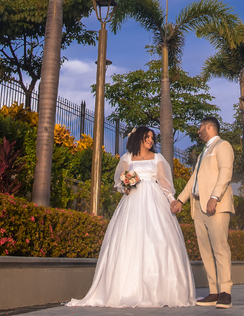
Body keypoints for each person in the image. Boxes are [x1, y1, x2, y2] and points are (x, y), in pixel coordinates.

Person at [67, 126, 195, 308]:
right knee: (129, 240)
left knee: (158, 241)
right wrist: (125, 186)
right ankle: (127, 289)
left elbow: (164, 183)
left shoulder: (157, 158)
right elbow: (120, 181)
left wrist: (173, 200)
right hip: (132, 201)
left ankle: (162, 290)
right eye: (147, 137)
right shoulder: (127, 158)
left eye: (152, 138)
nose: (151, 140)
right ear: (138, 139)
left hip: (154, 200)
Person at [172, 117, 234, 308]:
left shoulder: (223, 146)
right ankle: (214, 292)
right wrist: (181, 199)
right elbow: (193, 180)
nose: (198, 131)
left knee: (220, 248)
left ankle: (226, 292)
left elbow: (226, 172)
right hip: (199, 207)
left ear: (209, 127)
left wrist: (214, 197)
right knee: (205, 251)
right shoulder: (203, 153)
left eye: (200, 127)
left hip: (215, 206)